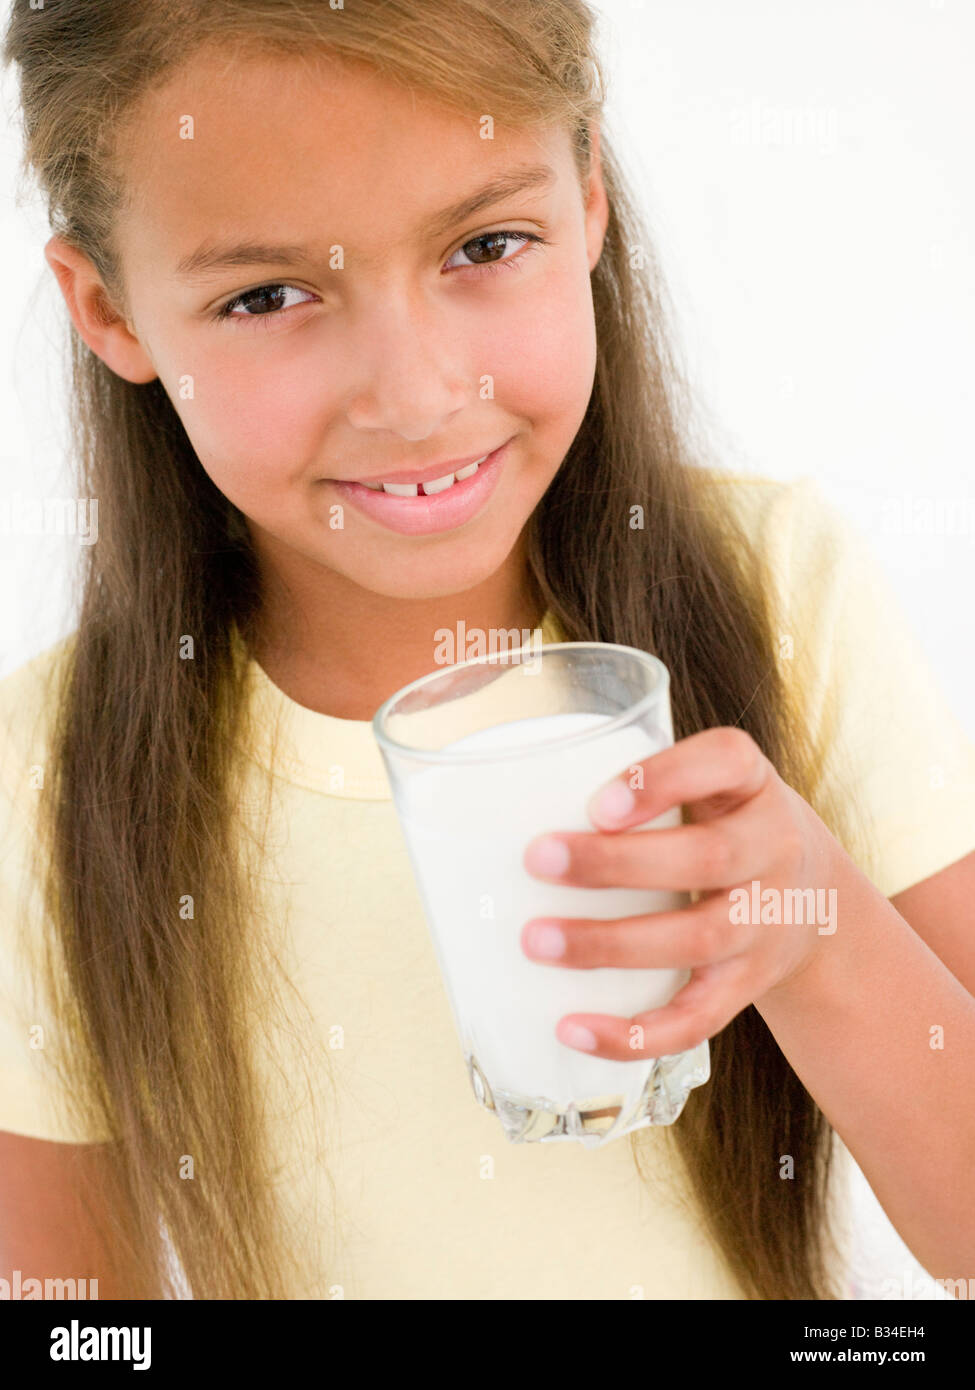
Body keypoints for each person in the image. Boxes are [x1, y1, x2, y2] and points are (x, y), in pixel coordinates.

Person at [1, 0, 974, 1302]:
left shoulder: (779, 591)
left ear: (588, 197)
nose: (413, 395)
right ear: (107, 309)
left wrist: (816, 929)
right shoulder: (46, 777)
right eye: (269, 293)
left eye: (485, 244)